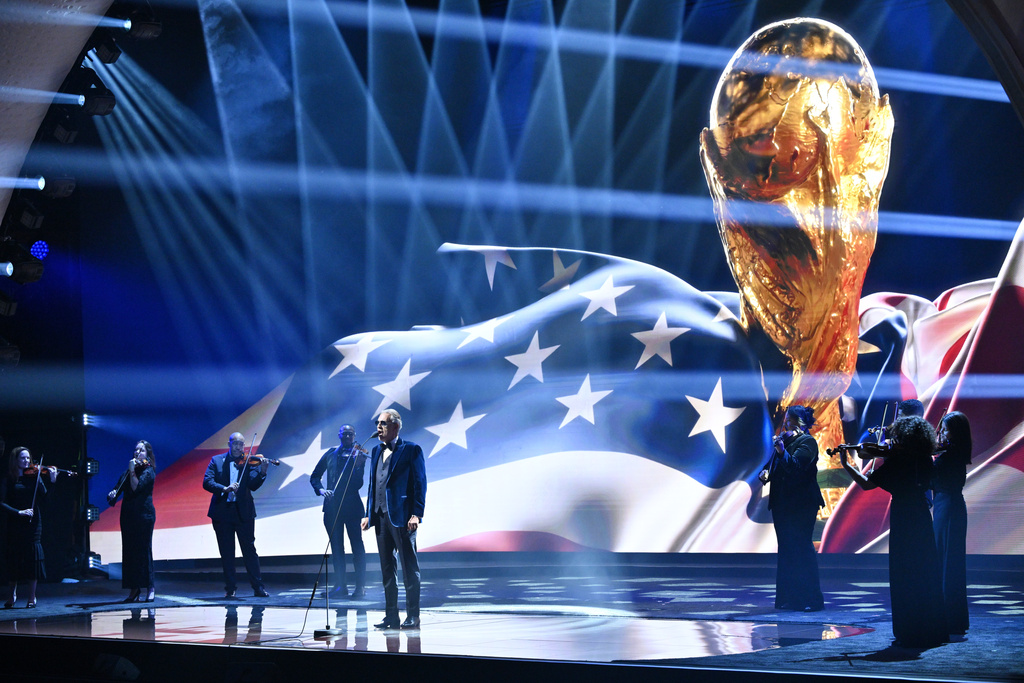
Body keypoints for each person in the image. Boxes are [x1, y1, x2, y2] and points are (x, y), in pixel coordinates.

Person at [839, 416, 948, 647]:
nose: (892, 441)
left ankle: (909, 630)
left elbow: (867, 484)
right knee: (925, 571)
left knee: (904, 573)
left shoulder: (898, 462)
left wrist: (847, 464)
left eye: (897, 437)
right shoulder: (925, 460)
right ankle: (931, 629)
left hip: (903, 516)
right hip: (921, 514)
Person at [361, 409, 426, 629]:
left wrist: (417, 514)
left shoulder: (411, 450)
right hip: (380, 518)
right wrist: (369, 514)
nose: (378, 427)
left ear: (396, 426)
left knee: (409, 569)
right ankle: (391, 616)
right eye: (377, 423)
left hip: (402, 517)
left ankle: (413, 615)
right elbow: (373, 485)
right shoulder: (375, 451)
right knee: (387, 570)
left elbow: (420, 484)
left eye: (383, 424)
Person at [758, 405, 825, 611]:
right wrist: (765, 473)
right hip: (783, 503)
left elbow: (796, 467)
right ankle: (790, 599)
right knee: (787, 550)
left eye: (790, 421)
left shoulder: (808, 442)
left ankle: (811, 600)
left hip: (801, 504)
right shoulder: (785, 442)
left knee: (801, 549)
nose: (786, 424)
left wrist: (781, 451)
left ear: (800, 423)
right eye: (786, 420)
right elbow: (773, 465)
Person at [203, 432, 270, 598]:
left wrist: (262, 472)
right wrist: (223, 489)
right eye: (235, 444)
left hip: (244, 512)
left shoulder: (248, 462)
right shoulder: (217, 461)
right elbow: (207, 481)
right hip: (222, 512)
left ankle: (258, 587)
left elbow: (253, 485)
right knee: (227, 552)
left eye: (241, 444)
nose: (239, 447)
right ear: (229, 444)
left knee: (249, 551)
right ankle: (230, 589)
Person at [310, 424, 367, 598]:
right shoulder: (330, 454)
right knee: (336, 548)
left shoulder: (358, 455)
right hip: (332, 506)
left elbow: (358, 484)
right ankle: (340, 587)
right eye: (345, 434)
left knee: (357, 547)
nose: (348, 437)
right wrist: (321, 490)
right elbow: (315, 476)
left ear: (354, 436)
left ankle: (360, 587)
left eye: (351, 434)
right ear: (339, 435)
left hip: (352, 507)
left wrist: (358, 466)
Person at [1, 447, 56, 608]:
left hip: (33, 523)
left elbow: (46, 500)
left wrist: (52, 481)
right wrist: (19, 512)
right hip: (15, 523)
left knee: (32, 560)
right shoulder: (8, 479)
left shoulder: (35, 477)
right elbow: (2, 502)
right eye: (23, 458)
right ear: (15, 460)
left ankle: (32, 597)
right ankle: (12, 595)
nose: (26, 461)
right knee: (14, 560)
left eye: (28, 458)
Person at [933, 411, 971, 636]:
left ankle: (950, 618)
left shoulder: (951, 455)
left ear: (954, 432)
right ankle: (952, 617)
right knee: (947, 563)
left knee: (948, 564)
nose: (941, 434)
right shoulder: (952, 453)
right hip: (946, 507)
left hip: (948, 509)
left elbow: (932, 478)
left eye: (945, 430)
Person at [107, 440, 157, 602]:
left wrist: (131, 470)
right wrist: (112, 494)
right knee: (129, 552)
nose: (137, 453)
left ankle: (150, 587)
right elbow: (118, 488)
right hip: (128, 515)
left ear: (147, 454)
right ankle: (134, 590)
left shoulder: (148, 471)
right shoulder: (127, 472)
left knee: (144, 551)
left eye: (141, 450)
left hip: (144, 515)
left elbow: (136, 487)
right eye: (136, 450)